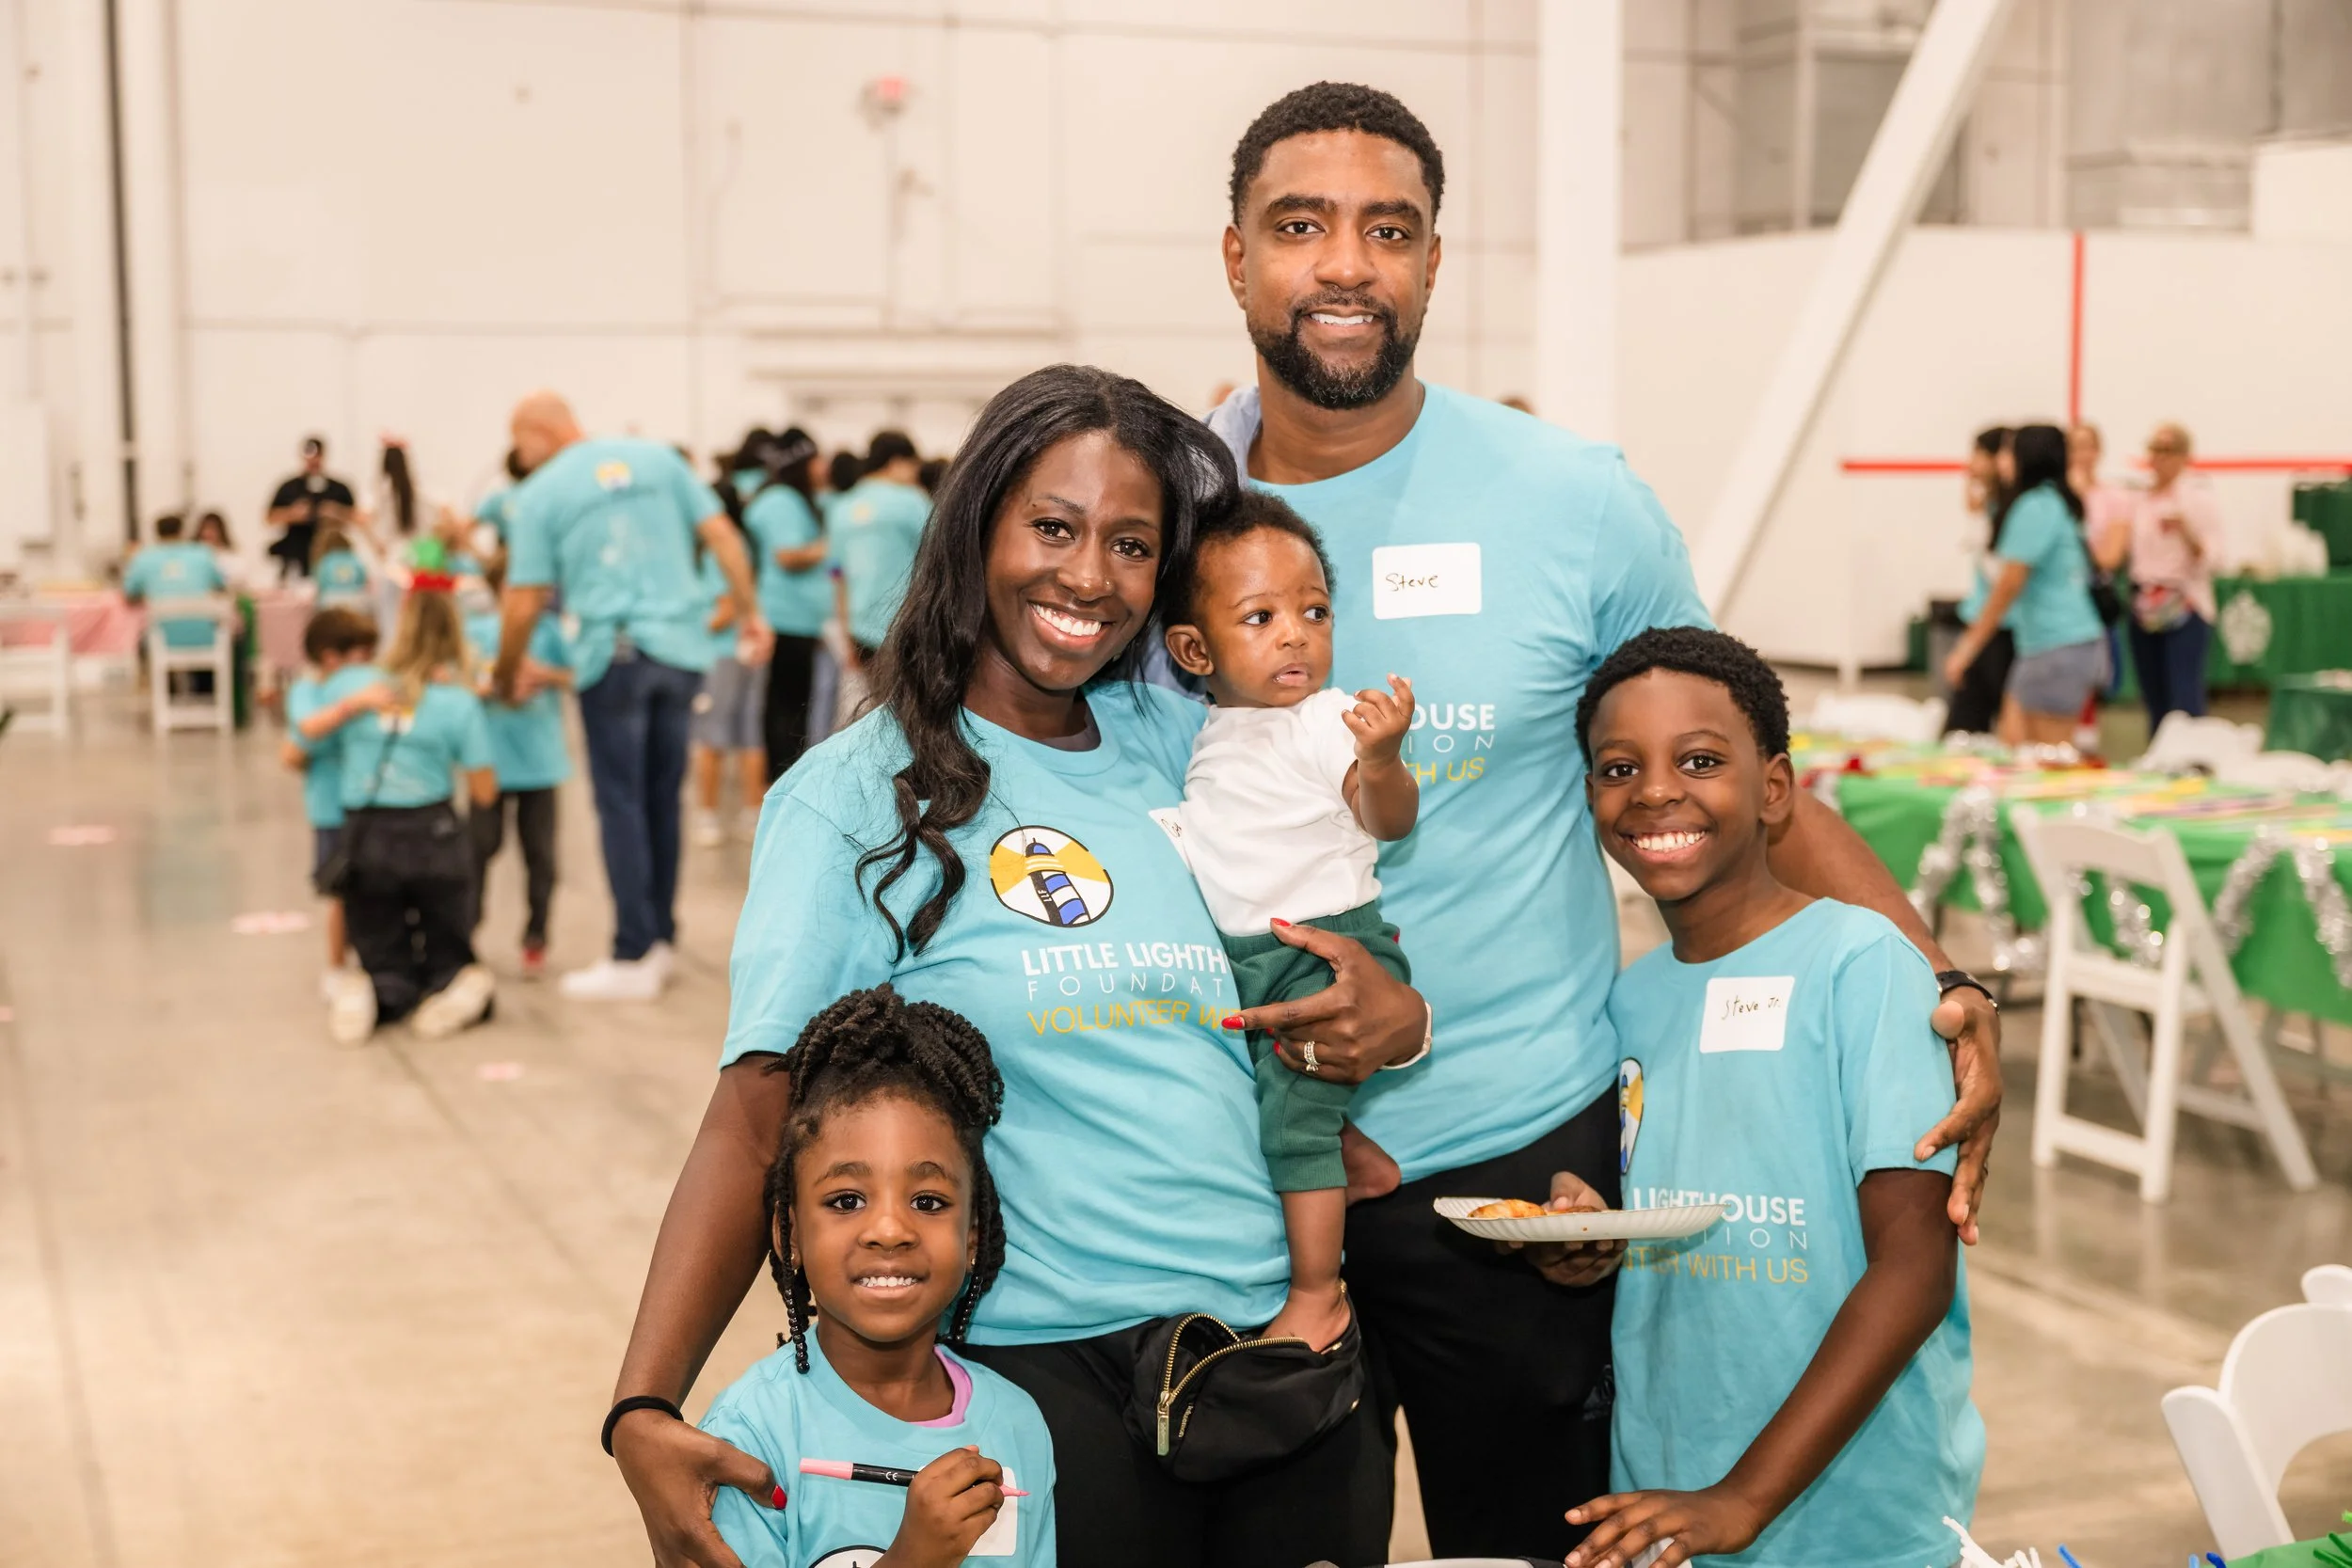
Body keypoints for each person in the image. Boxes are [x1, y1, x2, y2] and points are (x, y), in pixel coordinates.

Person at [1199, 83, 2003, 1558]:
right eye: (1300, 225)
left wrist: (1934, 981)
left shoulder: (1572, 501)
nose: (1345, 265)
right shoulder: (1168, 519)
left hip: (1525, 1176)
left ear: (1436, 262)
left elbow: (1742, 769)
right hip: (1243, 1167)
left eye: (1391, 229)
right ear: (1236, 255)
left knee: (1539, 1543)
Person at [608, 364, 1405, 1568]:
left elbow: (1323, 937)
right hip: (1042, 1380)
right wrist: (643, 1405)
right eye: (1052, 526)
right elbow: (753, 1110)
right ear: (974, 523)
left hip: (1280, 1350)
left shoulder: (1190, 742)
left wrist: (1388, 1011)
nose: (1089, 576)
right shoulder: (852, 799)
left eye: (1131, 543)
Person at [1557, 626, 1979, 1568]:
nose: (1656, 789)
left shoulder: (1863, 964)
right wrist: (1590, 1234)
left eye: (1700, 759)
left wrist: (1744, 1494)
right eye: (1618, 766)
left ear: (1775, 788)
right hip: (1668, 1487)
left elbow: (1913, 1267)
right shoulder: (1632, 995)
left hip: (1857, 1516)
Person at [1159, 492, 1418, 1354]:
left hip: (1324, 950)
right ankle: (1355, 1156)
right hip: (1254, 958)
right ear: (1195, 649)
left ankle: (1316, 1292)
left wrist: (1379, 762)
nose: (1296, 633)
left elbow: (1387, 819)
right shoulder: (1216, 731)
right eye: (1261, 616)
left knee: (1289, 1120)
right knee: (1267, 1094)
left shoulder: (1323, 722)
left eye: (1314, 612)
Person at [694, 988, 1056, 1568]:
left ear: (972, 1238)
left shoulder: (1017, 1425)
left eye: (930, 1202)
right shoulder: (751, 1434)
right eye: (846, 1200)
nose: (889, 1230)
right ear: (790, 1236)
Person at [490, 391, 771, 1003]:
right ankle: (662, 940)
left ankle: (630, 951)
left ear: (537, 432)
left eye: (520, 442)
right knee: (659, 799)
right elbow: (725, 539)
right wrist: (750, 613)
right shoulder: (659, 461)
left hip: (614, 657)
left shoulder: (540, 492)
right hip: (681, 651)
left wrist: (506, 668)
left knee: (619, 802)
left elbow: (522, 598)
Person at [297, 583, 499, 1043]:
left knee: (378, 941)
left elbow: (298, 749)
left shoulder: (352, 687)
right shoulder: (457, 701)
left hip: (366, 832)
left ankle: (378, 987)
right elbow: (485, 790)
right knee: (446, 940)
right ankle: (451, 986)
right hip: (431, 827)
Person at [1940, 423, 2106, 747]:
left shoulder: (2037, 506)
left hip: (2059, 645)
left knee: (2045, 759)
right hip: (2047, 646)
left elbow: (2007, 587)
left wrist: (1965, 650)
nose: (2002, 460)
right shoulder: (2045, 502)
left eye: (2008, 451)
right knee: (2016, 745)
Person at [466, 557, 571, 980]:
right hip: (487, 760)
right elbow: (459, 680)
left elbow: (578, 673)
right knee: (476, 850)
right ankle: (466, 931)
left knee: (540, 856)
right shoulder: (476, 632)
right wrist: (494, 684)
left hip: (541, 763)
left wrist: (544, 675)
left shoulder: (547, 631)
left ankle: (536, 937)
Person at [283, 606, 379, 991]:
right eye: (362, 656)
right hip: (331, 808)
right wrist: (354, 706)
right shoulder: (311, 691)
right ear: (330, 657)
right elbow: (302, 735)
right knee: (340, 892)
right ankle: (337, 966)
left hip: (372, 803)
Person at [738, 428, 832, 784]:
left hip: (800, 620)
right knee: (788, 708)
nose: (822, 467)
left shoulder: (796, 499)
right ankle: (783, 779)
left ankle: (784, 776)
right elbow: (788, 555)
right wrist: (830, 545)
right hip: (785, 620)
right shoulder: (781, 500)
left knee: (792, 705)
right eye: (816, 459)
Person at [2120, 421, 2223, 728]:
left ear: (2184, 456)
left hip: (2184, 602)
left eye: (2168, 451)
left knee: (2184, 694)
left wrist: (2187, 534)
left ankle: (2192, 759)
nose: (2160, 459)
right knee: (2154, 695)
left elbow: (2215, 558)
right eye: (2156, 450)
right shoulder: (2138, 500)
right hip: (2144, 602)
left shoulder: (2199, 500)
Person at [689, 532, 770, 847]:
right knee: (750, 732)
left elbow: (724, 610)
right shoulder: (743, 546)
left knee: (711, 733)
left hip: (722, 653)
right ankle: (753, 813)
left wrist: (682, 631)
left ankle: (708, 815)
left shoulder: (713, 554)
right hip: (751, 649)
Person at [831, 431, 931, 671]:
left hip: (859, 630)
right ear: (897, 462)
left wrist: (845, 634)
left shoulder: (841, 507)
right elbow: (943, 554)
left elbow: (836, 573)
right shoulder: (911, 500)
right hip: (907, 628)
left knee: (876, 704)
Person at [1945, 426, 2013, 735]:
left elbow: (2003, 583)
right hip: (1983, 622)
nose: (1971, 463)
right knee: (1967, 720)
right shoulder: (1990, 506)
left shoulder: (2012, 512)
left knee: (1974, 718)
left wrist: (1968, 648)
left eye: (1979, 454)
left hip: (1998, 629)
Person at [121, 513, 230, 665]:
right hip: (205, 636)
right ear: (182, 532)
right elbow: (222, 587)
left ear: (157, 534)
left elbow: (129, 594)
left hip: (162, 639)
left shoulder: (143, 558)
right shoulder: (203, 553)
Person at [266, 436, 357, 580]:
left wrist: (336, 513)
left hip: (332, 555)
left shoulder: (339, 488)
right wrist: (292, 514)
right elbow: (269, 518)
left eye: (317, 455)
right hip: (296, 554)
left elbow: (357, 517)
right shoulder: (289, 487)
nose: (313, 460)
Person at [311, 526, 371, 607]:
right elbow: (362, 578)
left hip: (331, 598)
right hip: (353, 597)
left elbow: (320, 581)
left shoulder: (326, 560)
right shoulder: (354, 558)